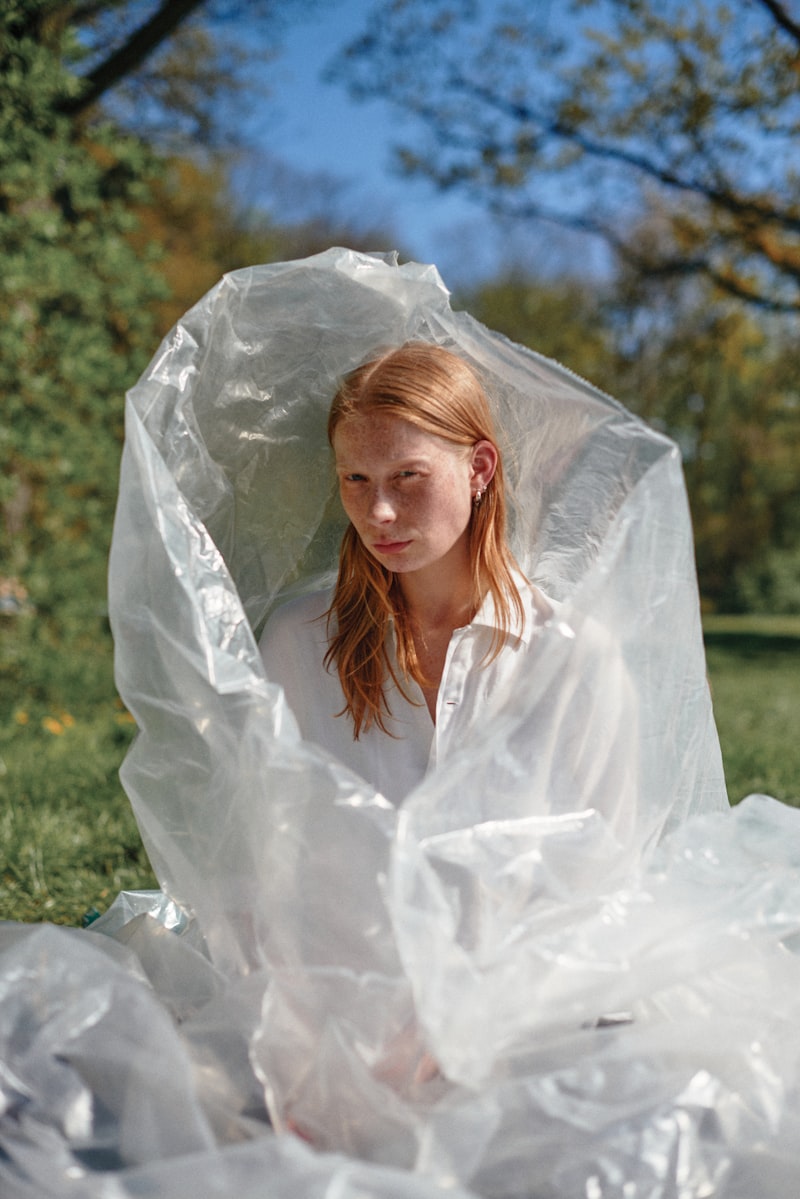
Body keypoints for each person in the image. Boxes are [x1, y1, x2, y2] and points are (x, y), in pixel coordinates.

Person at [259, 340, 568, 807]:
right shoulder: (298, 647)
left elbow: (604, 865)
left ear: (478, 469)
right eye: (355, 479)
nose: (378, 511)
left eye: (408, 475)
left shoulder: (571, 658)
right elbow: (261, 847)